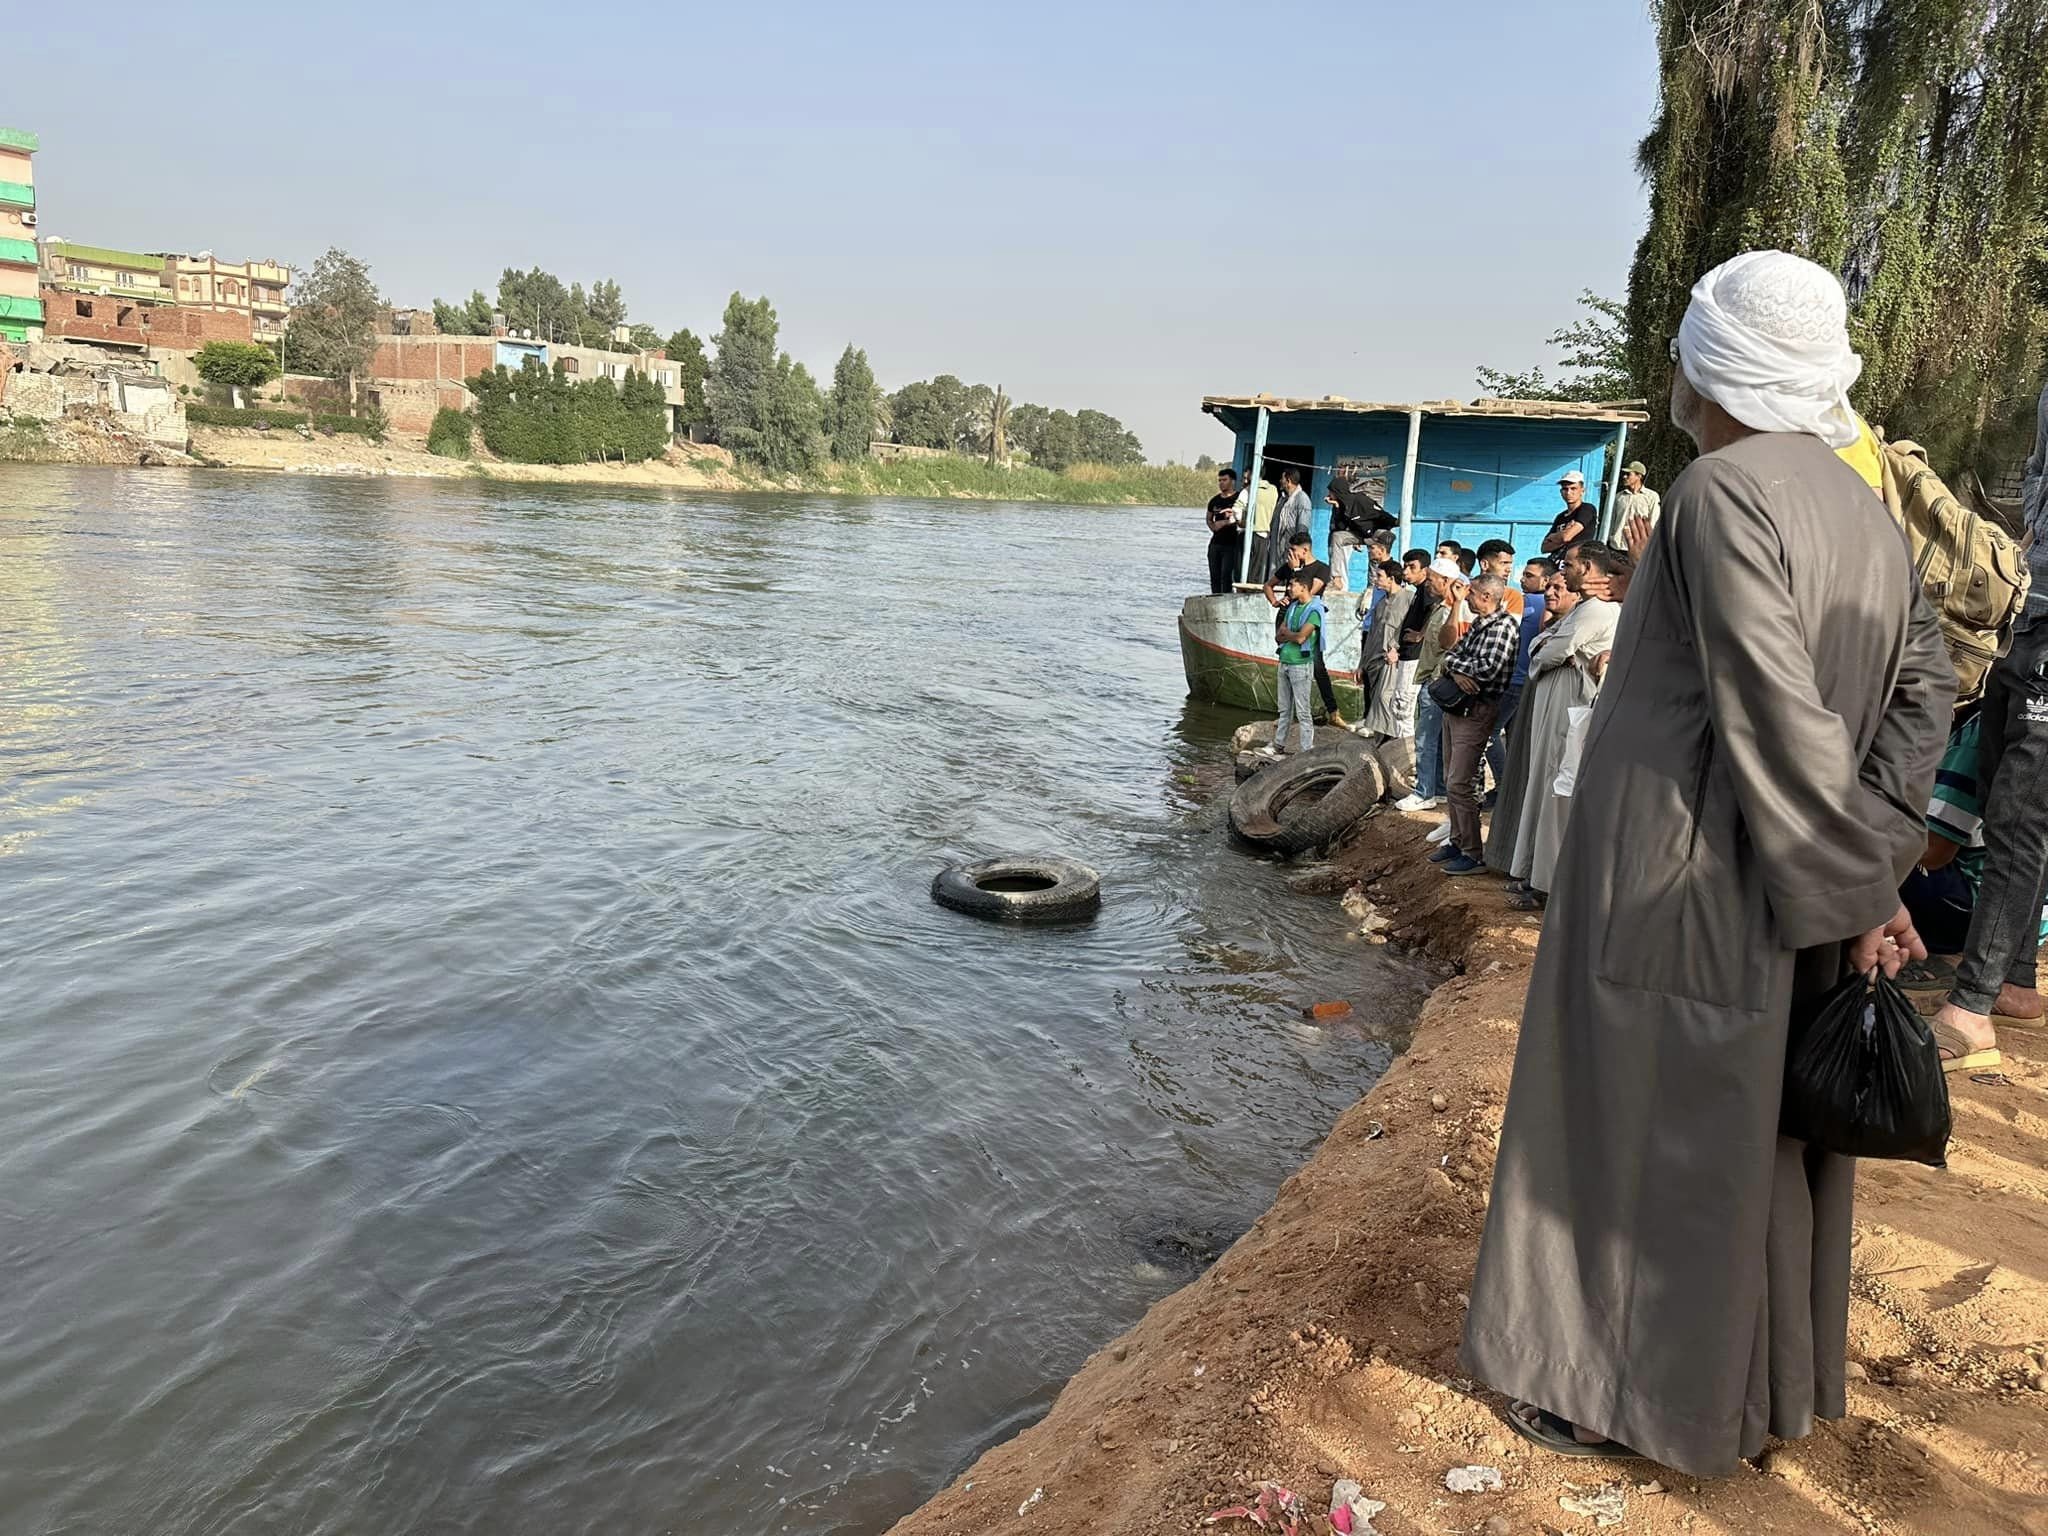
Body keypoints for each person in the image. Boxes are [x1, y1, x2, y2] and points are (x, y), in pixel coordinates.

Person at [1463, 249, 1952, 1477]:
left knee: (1637, 1140)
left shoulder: (1718, 492)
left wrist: (1853, 889)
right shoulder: (1869, 518)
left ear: (1711, 361)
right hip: (1797, 872)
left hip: (1676, 878)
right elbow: (1923, 695)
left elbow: (1766, 702)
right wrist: (1873, 858)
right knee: (1755, 1141)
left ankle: (1610, 1399)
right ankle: (1754, 1394)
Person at [1932, 371, 2048, 1068]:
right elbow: (2037, 479)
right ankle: (2015, 980)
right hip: (2029, 612)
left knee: (2017, 815)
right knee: (2013, 793)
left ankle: (1972, 1006)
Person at [1500, 544, 1626, 905]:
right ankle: (1533, 872)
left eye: (1568, 565)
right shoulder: (1584, 610)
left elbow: (1557, 648)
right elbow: (1543, 646)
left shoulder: (1600, 610)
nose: (1563, 571)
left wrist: (1554, 648)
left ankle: (1547, 884)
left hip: (1571, 708)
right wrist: (1553, 648)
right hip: (1554, 701)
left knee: (1557, 789)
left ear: (1586, 568)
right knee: (1541, 785)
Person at [1898, 706, 2048, 987]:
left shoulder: (1987, 727)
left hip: (1979, 916)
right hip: (2031, 925)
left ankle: (1947, 956)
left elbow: (1934, 852)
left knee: (1866, 854)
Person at [1427, 574, 1519, 874]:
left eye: (1473, 594)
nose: (1467, 598)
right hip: (1456, 708)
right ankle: (1457, 840)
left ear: (1487, 597)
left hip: (1477, 710)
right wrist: (1456, 670)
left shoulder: (1504, 627)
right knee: (1451, 777)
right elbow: (1450, 655)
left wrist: (1454, 667)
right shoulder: (1481, 624)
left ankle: (1472, 852)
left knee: (1460, 782)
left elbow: (1488, 668)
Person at [1483, 556, 1555, 809]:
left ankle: (1504, 788)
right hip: (1526, 679)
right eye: (1523, 575)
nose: (1522, 579)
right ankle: (1515, 790)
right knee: (1515, 739)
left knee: (1488, 733)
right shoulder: (1541, 604)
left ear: (1546, 580)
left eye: (1529, 575)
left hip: (1513, 680)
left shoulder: (1529, 602)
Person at [1396, 557, 1464, 811]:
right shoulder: (1440, 606)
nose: (1427, 584)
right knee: (1435, 738)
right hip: (1431, 677)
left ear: (1446, 581)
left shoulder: (1454, 609)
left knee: (1425, 738)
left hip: (1438, 682)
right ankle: (1437, 788)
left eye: (1432, 580)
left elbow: (1448, 642)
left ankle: (1424, 792)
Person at [1265, 532, 1350, 729]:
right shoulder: (1288, 567)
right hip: (1287, 616)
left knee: (1318, 667)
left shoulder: (1321, 569)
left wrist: (1295, 571)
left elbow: (1307, 595)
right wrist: (1275, 601)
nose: (1290, 555)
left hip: (1308, 619)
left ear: (1305, 550)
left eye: (1294, 550)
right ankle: (1287, 713)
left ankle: (1333, 712)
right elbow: (1268, 585)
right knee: (1287, 664)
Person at [1261, 569, 1322, 759]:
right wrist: (1290, 636)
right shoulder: (1293, 608)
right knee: (1284, 708)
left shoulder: (1314, 610)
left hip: (1301, 664)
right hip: (1285, 660)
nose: (1289, 588)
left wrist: (1289, 635)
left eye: (1292, 585)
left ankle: (1306, 749)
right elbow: (1279, 635)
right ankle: (1279, 743)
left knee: (1303, 710)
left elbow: (1302, 637)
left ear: (1303, 587)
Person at [1358, 559, 1416, 740]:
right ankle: (1382, 740)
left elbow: (1412, 629)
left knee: (1386, 699)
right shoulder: (1381, 604)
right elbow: (1371, 635)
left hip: (1394, 661)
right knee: (1377, 700)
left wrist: (1398, 650)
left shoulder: (1409, 599)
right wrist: (1361, 664)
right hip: (1375, 660)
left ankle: (1391, 741)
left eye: (1380, 576)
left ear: (1391, 578)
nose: (1376, 579)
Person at [1269, 467, 1313, 581]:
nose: (1280, 481)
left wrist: (1298, 550)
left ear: (1288, 480)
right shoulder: (1283, 500)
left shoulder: (1302, 499)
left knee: (1291, 580)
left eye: (1282, 479)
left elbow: (1303, 528)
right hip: (1278, 550)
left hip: (1291, 551)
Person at [1539, 470, 1598, 554]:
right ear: (1561, 492)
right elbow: (1544, 548)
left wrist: (1553, 537)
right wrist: (1563, 534)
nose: (1568, 492)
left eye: (1573, 488)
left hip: (1576, 560)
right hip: (1555, 561)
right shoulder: (1560, 517)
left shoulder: (1586, 509)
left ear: (1582, 491)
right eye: (1565, 489)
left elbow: (1567, 537)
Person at [1205, 467, 1243, 595]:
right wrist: (1213, 526)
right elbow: (1209, 518)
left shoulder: (1238, 498)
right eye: (1219, 480)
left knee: (1226, 575)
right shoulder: (1214, 500)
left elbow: (1244, 519)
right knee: (1214, 576)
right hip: (1215, 543)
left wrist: (1226, 522)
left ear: (1232, 481)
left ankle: (1225, 597)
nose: (1221, 483)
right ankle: (1214, 598)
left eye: (1224, 480)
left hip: (1231, 543)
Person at [1238, 472, 1280, 583]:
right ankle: (1252, 587)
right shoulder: (1273, 490)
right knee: (1257, 566)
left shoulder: (1249, 490)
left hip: (1250, 532)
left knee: (1245, 566)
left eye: (1246, 478)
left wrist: (1241, 522)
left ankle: (1244, 588)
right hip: (1264, 532)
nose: (1244, 481)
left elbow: (1237, 510)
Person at [1614, 460, 1661, 555]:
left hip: (1639, 548)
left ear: (1639, 476)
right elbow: (1612, 519)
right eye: (1624, 474)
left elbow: (1654, 521)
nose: (1624, 477)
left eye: (1628, 474)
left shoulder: (1651, 496)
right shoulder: (1619, 496)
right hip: (1617, 546)